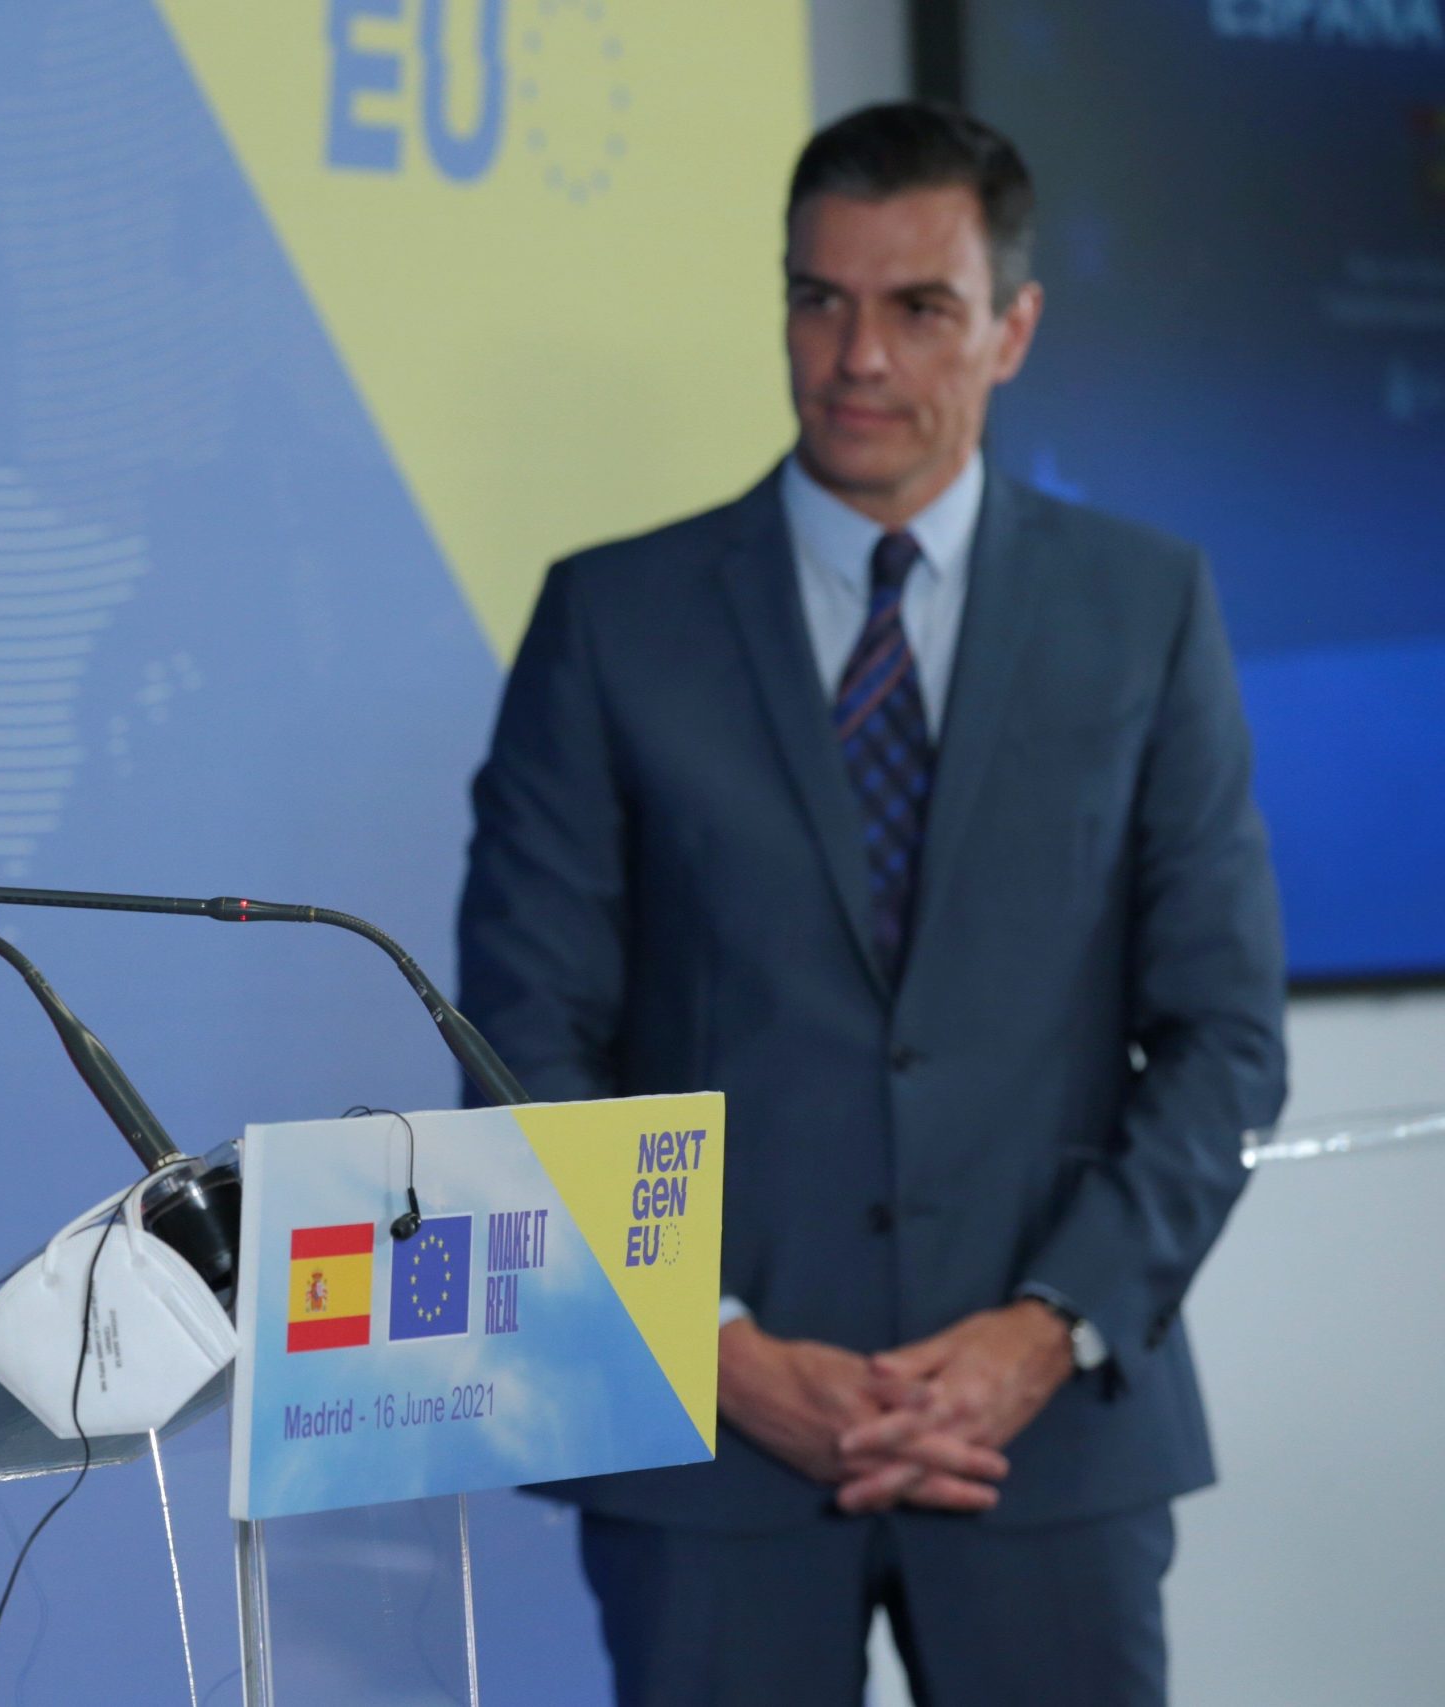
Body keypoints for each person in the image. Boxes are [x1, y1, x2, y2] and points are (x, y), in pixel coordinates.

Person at [457, 104, 1286, 1706]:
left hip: (1049, 1451)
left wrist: (1043, 1333)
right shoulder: (612, 619)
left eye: (918, 308)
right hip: (708, 1449)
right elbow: (518, 1043)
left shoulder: (1146, 611)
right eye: (817, 298)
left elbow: (1226, 1037)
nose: (857, 355)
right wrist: (715, 1350)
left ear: (1014, 328)